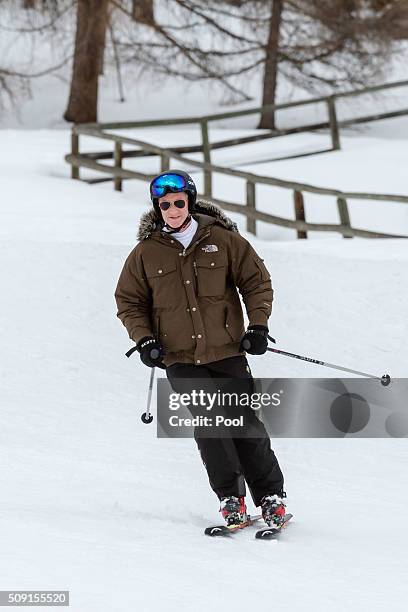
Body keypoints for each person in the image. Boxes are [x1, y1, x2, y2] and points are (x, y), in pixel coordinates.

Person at [115, 170, 287, 528]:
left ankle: (271, 497)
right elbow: (129, 301)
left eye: (178, 203)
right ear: (157, 208)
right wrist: (143, 339)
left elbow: (256, 283)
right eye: (164, 205)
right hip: (179, 357)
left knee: (242, 423)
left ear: (189, 203)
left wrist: (257, 326)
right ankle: (230, 499)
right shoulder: (146, 253)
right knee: (210, 422)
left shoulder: (222, 240)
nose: (172, 210)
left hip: (227, 350)